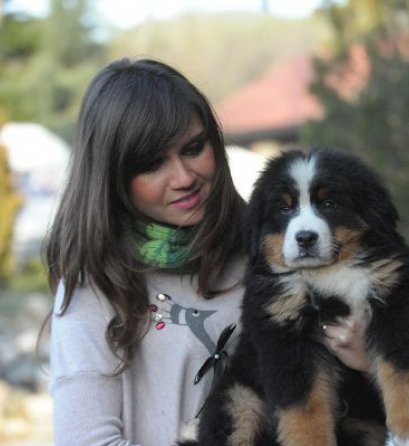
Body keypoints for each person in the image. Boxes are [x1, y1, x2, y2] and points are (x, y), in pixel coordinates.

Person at [45, 58, 370, 446]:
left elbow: (347, 398)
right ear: (113, 176)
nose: (184, 178)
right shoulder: (95, 282)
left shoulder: (270, 252)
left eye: (194, 148)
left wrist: (368, 358)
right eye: (152, 164)